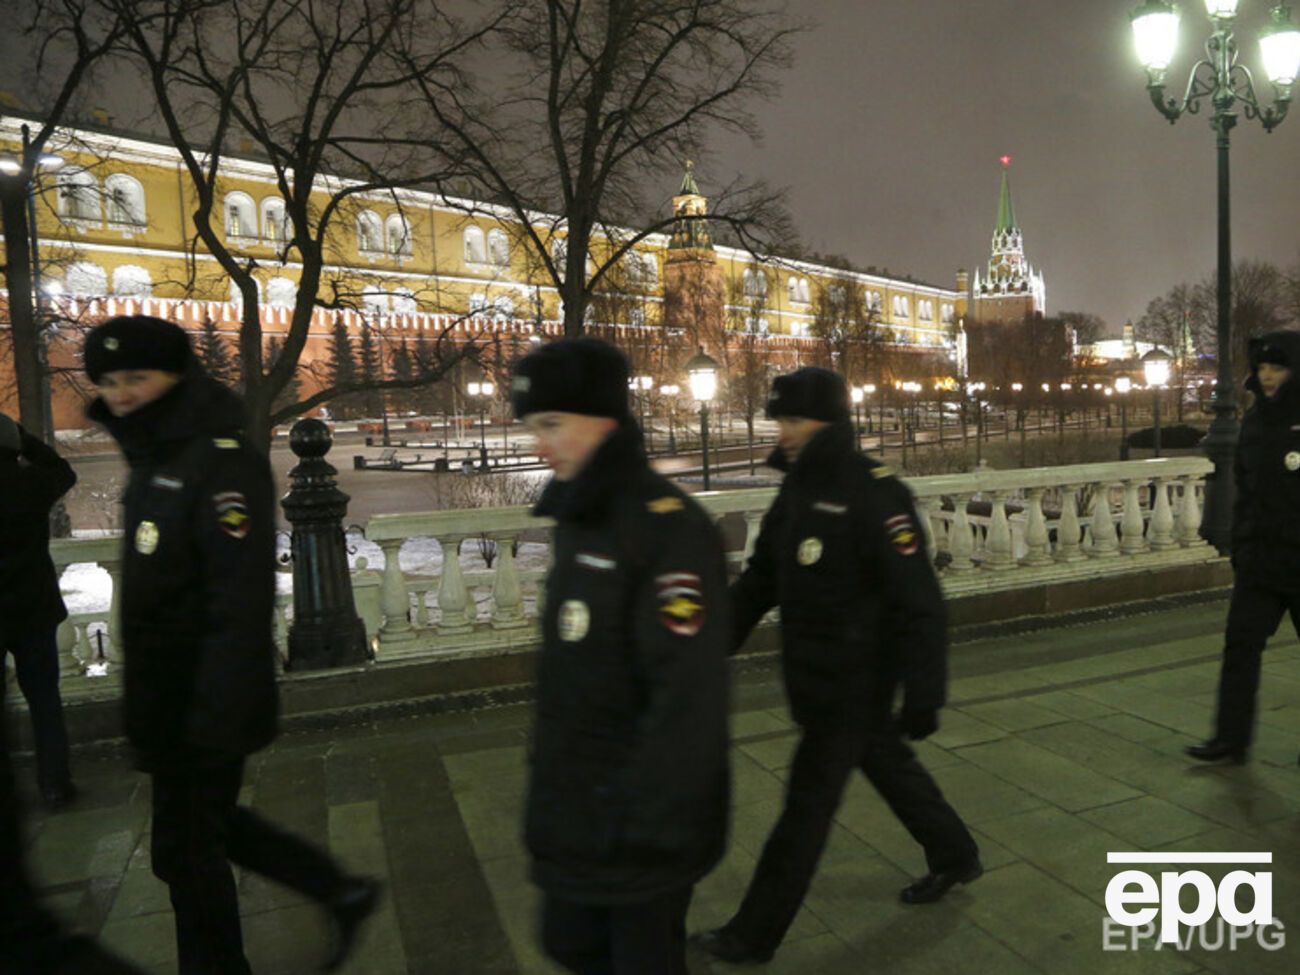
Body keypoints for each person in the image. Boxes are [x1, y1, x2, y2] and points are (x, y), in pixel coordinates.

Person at [83, 315, 378, 975]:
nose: (121, 392)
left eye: (137, 376)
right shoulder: (159, 453)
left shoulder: (215, 460)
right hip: (169, 691)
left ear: (176, 375)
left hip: (204, 694)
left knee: (188, 853)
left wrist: (217, 707)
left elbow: (237, 595)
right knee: (196, 839)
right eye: (108, 380)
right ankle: (338, 888)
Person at [693, 367, 981, 965]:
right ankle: (955, 854)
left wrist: (926, 690)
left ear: (828, 421)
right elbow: (761, 582)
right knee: (892, 769)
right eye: (780, 419)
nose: (785, 431)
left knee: (804, 815)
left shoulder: (874, 491)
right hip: (817, 679)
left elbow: (918, 599)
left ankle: (753, 935)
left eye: (795, 419)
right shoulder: (797, 490)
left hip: (854, 685)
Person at [512, 338, 730, 975]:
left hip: (638, 831)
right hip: (579, 812)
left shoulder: (667, 529)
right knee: (572, 947)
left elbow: (687, 698)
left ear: (604, 418)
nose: (538, 445)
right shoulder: (583, 514)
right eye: (531, 426)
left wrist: (650, 826)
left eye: (552, 424)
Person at [1188, 329, 1300, 765]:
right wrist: (1242, 545)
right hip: (1261, 563)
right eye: (1262, 368)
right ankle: (1230, 739)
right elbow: (1247, 490)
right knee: (1240, 648)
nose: (1268, 376)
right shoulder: (1254, 421)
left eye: (1277, 367)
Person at [0, 412, 76, 810]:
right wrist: (25, 438)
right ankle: (55, 785)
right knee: (45, 700)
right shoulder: (31, 484)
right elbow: (63, 470)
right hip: (34, 610)